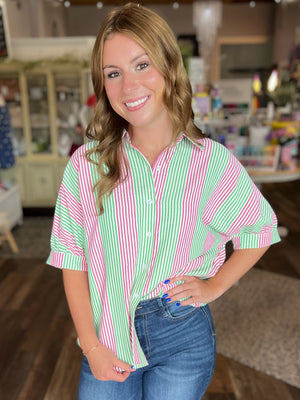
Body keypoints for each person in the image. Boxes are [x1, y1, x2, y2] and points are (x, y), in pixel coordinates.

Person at [47, 3, 281, 399]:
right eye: (113, 74)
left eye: (142, 65)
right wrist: (91, 347)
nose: (129, 87)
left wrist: (215, 286)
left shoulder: (209, 161)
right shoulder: (86, 167)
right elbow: (72, 259)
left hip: (183, 336)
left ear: (170, 66)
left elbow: (259, 228)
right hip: (108, 338)